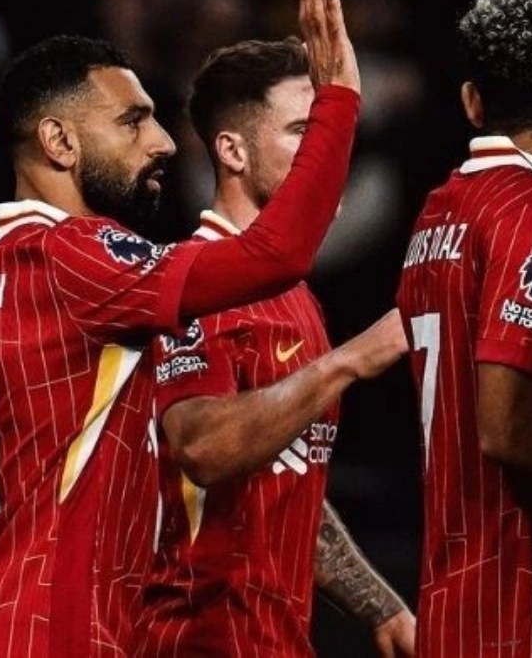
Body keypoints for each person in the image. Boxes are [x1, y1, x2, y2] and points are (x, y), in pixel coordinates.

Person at [0, 0, 363, 656]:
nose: (162, 141)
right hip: (57, 632)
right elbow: (276, 253)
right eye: (132, 121)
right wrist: (339, 101)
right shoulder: (76, 254)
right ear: (60, 142)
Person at [138, 37, 414, 657]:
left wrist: (380, 605)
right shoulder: (194, 281)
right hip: (199, 641)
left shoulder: (295, 298)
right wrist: (345, 363)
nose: (328, 156)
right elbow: (202, 446)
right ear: (232, 151)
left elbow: (283, 476)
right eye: (303, 133)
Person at [395, 0, 532, 657]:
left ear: (472, 101)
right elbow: (508, 424)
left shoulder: (440, 211)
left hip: (454, 599)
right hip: (526, 603)